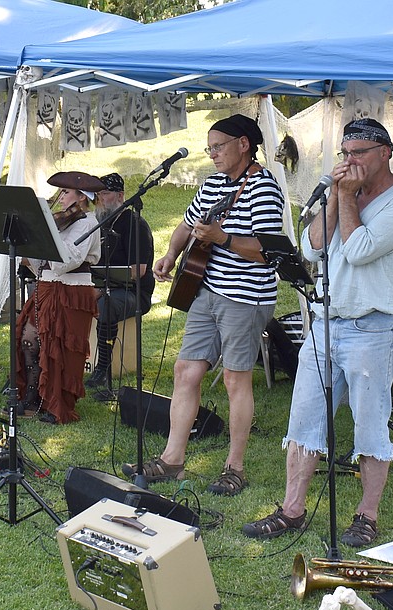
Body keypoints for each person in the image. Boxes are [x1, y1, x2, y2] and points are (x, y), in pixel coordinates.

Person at [242, 117, 393, 546]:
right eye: (345, 154)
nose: (350, 161)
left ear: (385, 154)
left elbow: (358, 250)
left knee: (370, 427)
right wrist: (337, 195)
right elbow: (312, 246)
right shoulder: (340, 191)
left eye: (359, 153)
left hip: (372, 328)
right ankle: (292, 509)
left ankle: (367, 515)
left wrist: (345, 197)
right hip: (326, 324)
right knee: (303, 419)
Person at [126, 113, 285, 496]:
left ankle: (235, 467)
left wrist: (224, 238)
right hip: (206, 290)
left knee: (235, 378)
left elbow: (267, 253)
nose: (212, 154)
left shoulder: (264, 189)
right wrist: (169, 255)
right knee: (186, 370)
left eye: (219, 147)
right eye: (209, 148)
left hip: (246, 297)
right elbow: (186, 225)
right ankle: (172, 460)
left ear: (243, 144)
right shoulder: (213, 184)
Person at [13, 170, 105, 424]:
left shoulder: (88, 223)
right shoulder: (59, 222)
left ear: (82, 198)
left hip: (71, 290)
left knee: (61, 347)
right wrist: (29, 246)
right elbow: (41, 264)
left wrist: (47, 233)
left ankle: (58, 405)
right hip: (46, 287)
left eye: (65, 192)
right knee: (29, 338)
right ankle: (33, 396)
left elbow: (68, 261)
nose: (60, 197)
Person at [86, 172, 155, 398]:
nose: (99, 199)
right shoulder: (97, 223)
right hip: (102, 286)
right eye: (97, 194)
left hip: (133, 292)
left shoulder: (135, 224)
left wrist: (102, 282)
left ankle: (102, 369)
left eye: (104, 193)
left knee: (107, 304)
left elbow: (138, 271)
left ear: (120, 196)